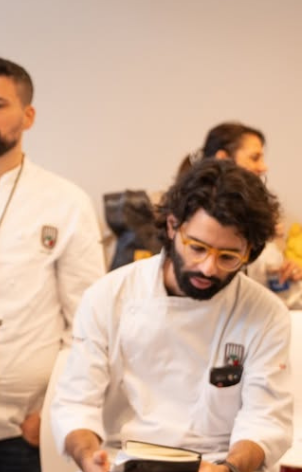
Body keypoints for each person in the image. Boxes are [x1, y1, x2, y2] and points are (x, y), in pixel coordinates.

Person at [52, 158, 292, 472]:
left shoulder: (266, 313)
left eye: (229, 256)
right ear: (172, 226)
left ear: (249, 252)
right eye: (197, 248)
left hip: (221, 461)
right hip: (128, 460)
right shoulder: (109, 296)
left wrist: (230, 468)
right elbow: (76, 403)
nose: (209, 267)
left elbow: (265, 419)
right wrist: (87, 456)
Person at [0, 56, 105, 472]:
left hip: (23, 431)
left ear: (28, 115)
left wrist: (53, 408)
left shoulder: (65, 201)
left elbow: (86, 322)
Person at [181, 122, 302, 303]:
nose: (263, 167)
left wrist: (285, 271)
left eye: (228, 256)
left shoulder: (258, 217)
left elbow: (265, 279)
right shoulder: (190, 211)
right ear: (223, 158)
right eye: (254, 158)